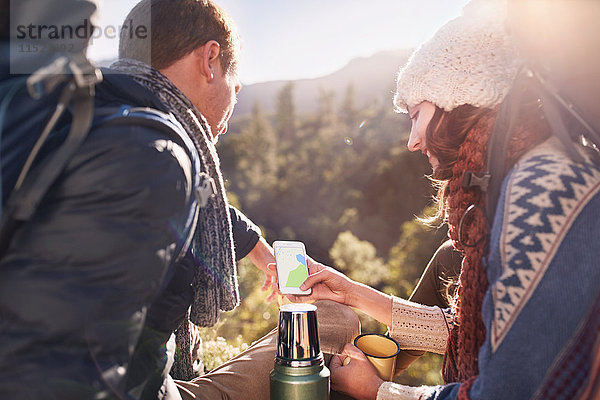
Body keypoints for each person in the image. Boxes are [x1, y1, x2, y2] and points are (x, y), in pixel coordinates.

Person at [1, 1, 359, 399]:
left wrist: (260, 250)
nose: (233, 100)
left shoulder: (97, 114)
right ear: (210, 59)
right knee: (335, 321)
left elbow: (207, 209)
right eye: (234, 86)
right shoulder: (156, 156)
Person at [287, 0, 600, 399]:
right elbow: (473, 331)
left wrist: (379, 392)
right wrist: (353, 294)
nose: (412, 140)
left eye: (417, 114)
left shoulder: (543, 190)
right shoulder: (518, 177)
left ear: (460, 100)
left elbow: (508, 392)